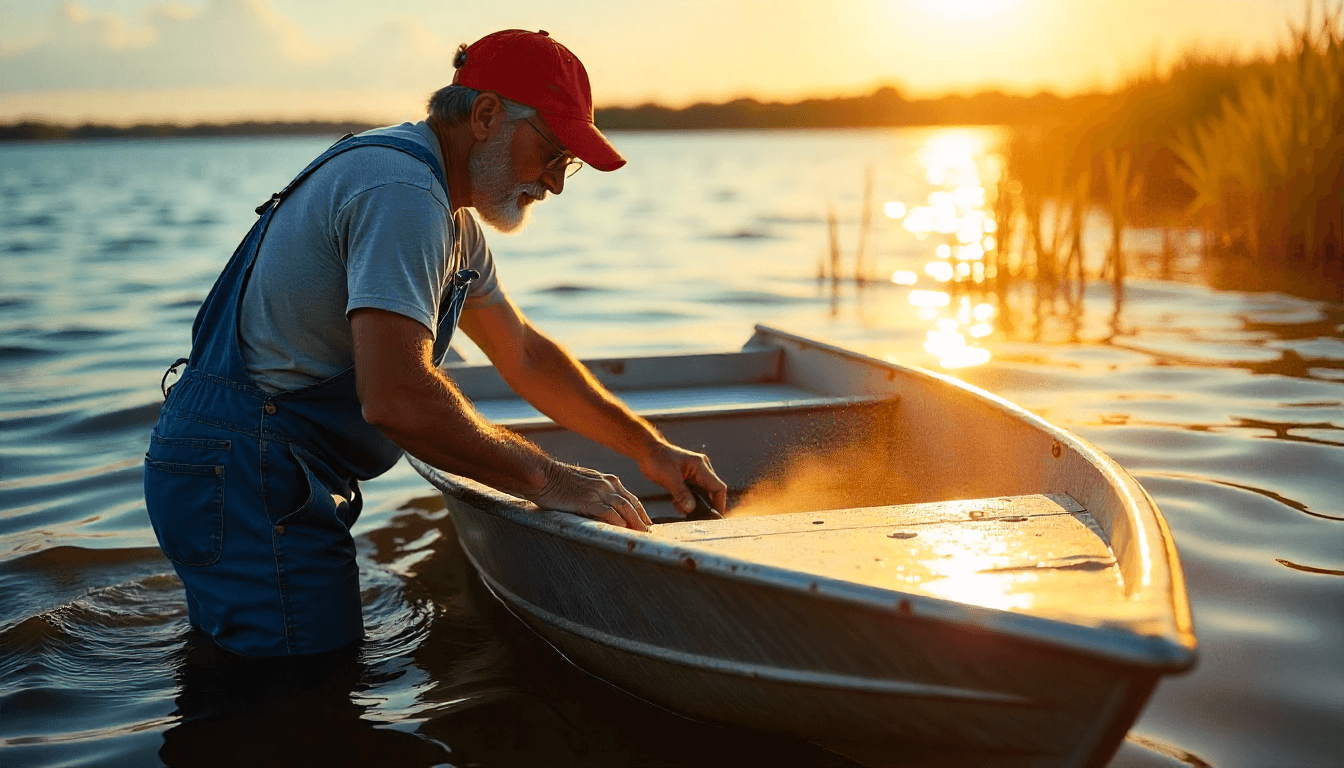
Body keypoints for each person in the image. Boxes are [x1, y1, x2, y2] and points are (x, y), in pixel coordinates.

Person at [144, 29, 728, 657]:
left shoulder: (450, 214)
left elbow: (523, 354)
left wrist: (650, 450)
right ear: (485, 116)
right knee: (307, 691)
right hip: (244, 471)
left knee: (250, 684)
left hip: (240, 469)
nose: (556, 183)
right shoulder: (402, 194)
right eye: (554, 151)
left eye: (570, 164)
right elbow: (394, 398)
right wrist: (551, 480)